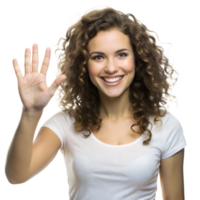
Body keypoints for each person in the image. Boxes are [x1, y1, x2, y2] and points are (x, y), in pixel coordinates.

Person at [4, 5, 188, 200]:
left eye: (122, 54)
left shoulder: (167, 126)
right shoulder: (64, 124)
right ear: (84, 65)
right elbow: (17, 176)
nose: (110, 67)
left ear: (138, 59)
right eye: (98, 57)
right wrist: (31, 113)